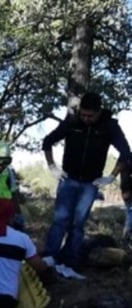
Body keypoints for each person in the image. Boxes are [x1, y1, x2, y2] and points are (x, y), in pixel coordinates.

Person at [42, 91, 131, 270]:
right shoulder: (73, 121)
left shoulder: (109, 126)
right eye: (83, 114)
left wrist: (112, 175)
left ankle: (70, 262)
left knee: (78, 224)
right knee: (60, 220)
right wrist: (52, 166)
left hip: (91, 183)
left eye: (90, 116)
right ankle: (48, 259)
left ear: (98, 112)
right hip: (68, 179)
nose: (86, 119)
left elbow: (126, 153)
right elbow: (47, 141)